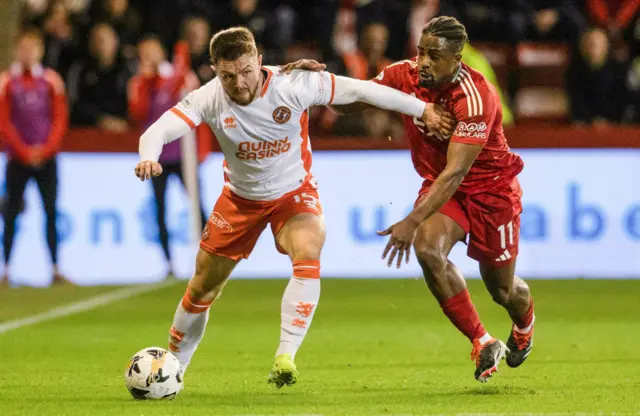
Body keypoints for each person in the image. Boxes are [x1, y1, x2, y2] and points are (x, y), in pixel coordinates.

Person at [134, 26, 452, 388]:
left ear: (258, 59)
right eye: (227, 76)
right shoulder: (208, 98)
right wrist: (149, 157)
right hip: (240, 200)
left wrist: (422, 108)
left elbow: (364, 90)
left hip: (292, 193)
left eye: (245, 71)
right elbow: (155, 131)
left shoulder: (295, 84)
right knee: (202, 288)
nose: (239, 83)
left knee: (308, 247)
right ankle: (174, 370)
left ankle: (286, 355)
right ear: (214, 70)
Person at [283, 16, 535, 383]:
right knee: (428, 250)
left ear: (457, 59)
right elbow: (357, 99)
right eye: (420, 51)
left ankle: (524, 326)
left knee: (502, 289)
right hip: (441, 185)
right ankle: (481, 341)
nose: (424, 62)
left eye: (434, 55)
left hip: (491, 192)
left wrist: (410, 219)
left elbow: (456, 173)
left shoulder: (477, 98)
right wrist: (313, 87)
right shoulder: (405, 75)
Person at [128, 35, 210, 279]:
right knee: (160, 209)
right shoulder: (139, 82)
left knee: (197, 208)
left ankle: (211, 257)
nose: (149, 57)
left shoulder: (182, 77)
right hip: (157, 158)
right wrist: (147, 80)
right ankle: (168, 263)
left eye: (152, 51)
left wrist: (201, 150)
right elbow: (138, 113)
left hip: (184, 155)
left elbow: (199, 111)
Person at [0, 28, 69, 287]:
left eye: (32, 48)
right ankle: (6, 269)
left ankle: (55, 267)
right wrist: (24, 151)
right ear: (17, 51)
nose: (27, 53)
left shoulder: (51, 81)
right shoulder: (7, 81)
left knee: (50, 212)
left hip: (46, 158)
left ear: (40, 51)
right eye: (23, 48)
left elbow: (60, 119)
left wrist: (45, 149)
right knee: (10, 213)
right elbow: (4, 122)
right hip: (18, 159)